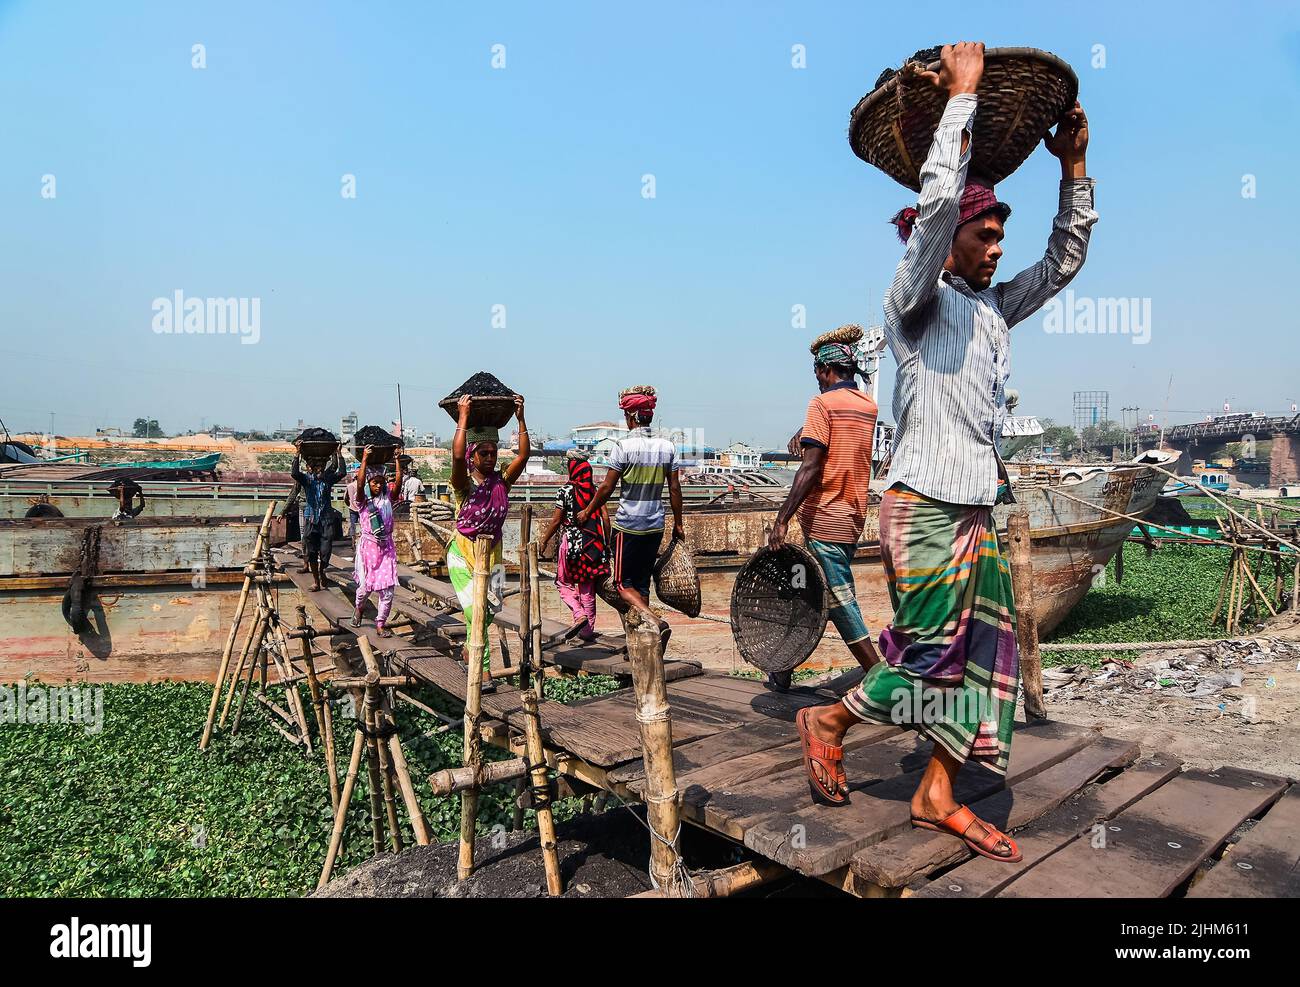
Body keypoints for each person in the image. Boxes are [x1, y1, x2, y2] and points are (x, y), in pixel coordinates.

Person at [795, 42, 1095, 865]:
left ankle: (936, 787)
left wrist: (1073, 168)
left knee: (977, 656)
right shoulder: (911, 307)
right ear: (952, 239)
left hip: (975, 507)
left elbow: (1065, 261)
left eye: (1002, 233)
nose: (997, 246)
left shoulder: (994, 309)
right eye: (985, 233)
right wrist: (959, 105)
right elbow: (931, 219)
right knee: (926, 651)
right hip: (922, 502)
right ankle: (829, 718)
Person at [768, 324, 881, 691]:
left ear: (824, 371)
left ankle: (882, 679)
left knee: (838, 599)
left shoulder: (821, 403)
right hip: (853, 513)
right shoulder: (867, 405)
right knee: (807, 591)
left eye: (817, 373)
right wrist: (805, 432)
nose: (816, 380)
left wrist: (782, 519)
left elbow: (812, 466)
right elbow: (839, 442)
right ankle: (782, 669)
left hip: (824, 517)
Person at [576, 385, 684, 642]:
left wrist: (588, 510)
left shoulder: (623, 446)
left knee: (624, 586)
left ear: (632, 416)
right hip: (655, 524)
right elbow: (675, 488)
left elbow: (607, 487)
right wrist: (679, 523)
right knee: (642, 585)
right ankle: (640, 642)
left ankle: (656, 622)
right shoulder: (667, 446)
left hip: (628, 526)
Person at [449, 393, 529, 675]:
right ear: (473, 455)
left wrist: (520, 419)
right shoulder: (464, 485)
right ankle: (481, 674)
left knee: (491, 610)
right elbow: (456, 455)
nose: (490, 458)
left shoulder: (502, 481)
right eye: (484, 453)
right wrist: (463, 417)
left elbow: (523, 455)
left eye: (494, 453)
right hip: (463, 553)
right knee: (476, 613)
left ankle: (467, 654)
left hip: (491, 553)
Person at [539, 453, 610, 642]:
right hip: (592, 546)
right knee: (587, 587)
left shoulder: (564, 491)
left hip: (570, 544)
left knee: (563, 582)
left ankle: (579, 614)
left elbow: (555, 521)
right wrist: (606, 543)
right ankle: (587, 632)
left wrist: (544, 540)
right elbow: (605, 518)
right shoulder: (594, 492)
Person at [351, 444, 405, 636]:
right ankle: (359, 608)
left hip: (387, 549)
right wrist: (364, 459)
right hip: (369, 550)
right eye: (374, 483)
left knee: (388, 591)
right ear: (369, 484)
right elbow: (358, 484)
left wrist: (397, 460)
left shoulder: (388, 499)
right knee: (365, 589)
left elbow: (398, 484)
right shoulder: (362, 501)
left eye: (381, 482)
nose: (378, 486)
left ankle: (380, 624)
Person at [290, 443, 346, 591]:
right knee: (312, 552)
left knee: (326, 551)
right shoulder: (307, 481)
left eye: (321, 466)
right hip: (311, 520)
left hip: (326, 520)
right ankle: (316, 580)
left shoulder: (327, 480)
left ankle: (322, 571)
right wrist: (297, 453)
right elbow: (295, 473)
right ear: (310, 468)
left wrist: (338, 454)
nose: (318, 469)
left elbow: (342, 472)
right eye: (315, 467)